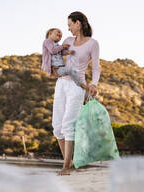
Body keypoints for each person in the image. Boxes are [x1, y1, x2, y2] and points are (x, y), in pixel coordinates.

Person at [52, 11, 100, 176]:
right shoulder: (67, 41)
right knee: (57, 128)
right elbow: (55, 56)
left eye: (70, 25)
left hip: (77, 87)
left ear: (78, 23)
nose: (68, 28)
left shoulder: (92, 44)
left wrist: (94, 84)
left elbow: (96, 68)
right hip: (61, 84)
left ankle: (65, 167)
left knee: (68, 125)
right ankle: (69, 160)